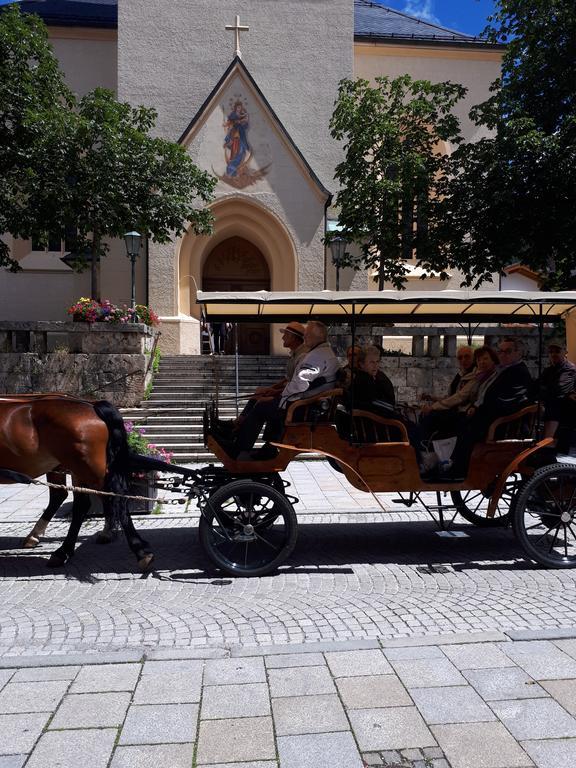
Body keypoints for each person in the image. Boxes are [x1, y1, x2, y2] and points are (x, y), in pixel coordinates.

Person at [215, 321, 340, 459]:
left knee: (262, 408)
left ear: (318, 336)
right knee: (265, 404)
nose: (305, 338)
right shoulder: (322, 353)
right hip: (306, 404)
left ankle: (239, 449)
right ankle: (266, 448)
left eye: (307, 335)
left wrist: (282, 398)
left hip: (304, 407)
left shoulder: (317, 356)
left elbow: (300, 383)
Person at [450, 337, 534, 477]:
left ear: (518, 353)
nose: (503, 354)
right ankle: (453, 464)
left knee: (463, 426)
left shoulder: (518, 372)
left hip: (502, 422)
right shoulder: (504, 370)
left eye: (507, 351)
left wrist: (479, 410)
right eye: (500, 351)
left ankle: (459, 468)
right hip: (490, 414)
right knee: (456, 421)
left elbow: (507, 400)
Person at [215, 321, 307, 434]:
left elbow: (295, 385)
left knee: (261, 402)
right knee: (259, 391)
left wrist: (275, 391)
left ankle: (239, 430)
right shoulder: (295, 354)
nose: (282, 338)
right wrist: (271, 388)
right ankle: (238, 422)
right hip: (287, 393)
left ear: (294, 338)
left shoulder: (302, 356)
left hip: (291, 398)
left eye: (286, 335)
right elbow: (287, 378)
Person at [420, 346, 499, 440]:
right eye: (460, 358)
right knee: (425, 416)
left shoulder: (477, 376)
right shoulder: (461, 374)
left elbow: (460, 397)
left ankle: (426, 447)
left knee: (431, 418)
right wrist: (432, 398)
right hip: (458, 410)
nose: (463, 360)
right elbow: (451, 396)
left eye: (467, 356)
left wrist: (433, 407)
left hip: (464, 413)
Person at [538, 340, 576, 450]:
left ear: (565, 352)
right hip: (555, 407)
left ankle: (547, 444)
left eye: (557, 351)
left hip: (565, 410)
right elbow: (537, 386)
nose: (553, 354)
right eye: (551, 352)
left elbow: (560, 389)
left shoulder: (570, 369)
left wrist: (544, 392)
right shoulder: (549, 370)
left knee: (554, 403)